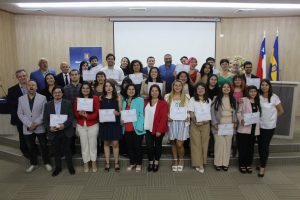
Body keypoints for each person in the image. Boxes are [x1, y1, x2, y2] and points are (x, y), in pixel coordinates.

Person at [17, 80, 52, 173]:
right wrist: (29, 124)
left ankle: (46, 163)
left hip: (39, 127)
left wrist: (35, 123)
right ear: (26, 87)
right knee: (30, 147)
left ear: (36, 87)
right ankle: (33, 164)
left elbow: (44, 112)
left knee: (43, 146)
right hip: (27, 128)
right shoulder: (21, 99)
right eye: (29, 85)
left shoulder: (43, 98)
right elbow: (20, 114)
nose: (31, 86)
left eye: (33, 85)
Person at [43, 86, 75, 176]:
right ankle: (58, 167)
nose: (57, 94)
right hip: (53, 131)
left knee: (67, 150)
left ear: (62, 93)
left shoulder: (68, 103)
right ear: (52, 94)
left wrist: (64, 125)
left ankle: (70, 166)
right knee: (56, 151)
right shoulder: (47, 104)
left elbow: (71, 117)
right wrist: (49, 128)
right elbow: (45, 119)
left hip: (65, 130)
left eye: (59, 92)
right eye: (55, 93)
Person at [257, 79, 284, 177]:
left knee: (264, 146)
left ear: (269, 86)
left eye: (266, 85)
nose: (264, 87)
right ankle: (261, 163)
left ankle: (262, 168)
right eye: (262, 85)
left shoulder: (274, 97)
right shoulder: (258, 96)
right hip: (259, 125)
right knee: (260, 145)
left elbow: (281, 111)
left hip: (269, 127)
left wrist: (272, 118)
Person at [74, 82, 100, 173]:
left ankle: (93, 162)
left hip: (92, 124)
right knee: (84, 145)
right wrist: (80, 114)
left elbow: (97, 112)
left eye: (87, 88)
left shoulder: (95, 98)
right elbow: (75, 113)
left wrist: (87, 116)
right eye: (83, 88)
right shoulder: (77, 99)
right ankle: (85, 162)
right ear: (81, 90)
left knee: (93, 144)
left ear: (90, 89)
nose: (85, 90)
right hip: (81, 125)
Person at [211, 83, 237, 171]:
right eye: (224, 87)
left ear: (230, 89)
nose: (226, 88)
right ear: (221, 89)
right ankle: (218, 163)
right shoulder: (216, 98)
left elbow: (236, 113)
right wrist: (214, 123)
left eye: (228, 87)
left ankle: (225, 163)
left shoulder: (233, 99)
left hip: (230, 124)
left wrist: (235, 122)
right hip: (219, 125)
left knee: (228, 144)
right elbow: (212, 112)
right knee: (219, 144)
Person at [165, 80, 190, 172]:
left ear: (182, 87)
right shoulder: (168, 96)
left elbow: (189, 110)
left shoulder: (187, 97)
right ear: (173, 86)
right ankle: (175, 160)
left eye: (179, 85)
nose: (177, 87)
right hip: (172, 122)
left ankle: (181, 159)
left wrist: (188, 116)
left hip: (183, 123)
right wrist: (167, 117)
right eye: (175, 85)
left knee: (179, 144)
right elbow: (165, 110)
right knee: (173, 142)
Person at [99, 79, 122, 172]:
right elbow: (98, 110)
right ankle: (107, 162)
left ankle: (116, 162)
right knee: (106, 143)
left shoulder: (118, 98)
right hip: (105, 124)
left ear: (113, 87)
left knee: (115, 143)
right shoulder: (101, 98)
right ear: (104, 88)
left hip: (115, 123)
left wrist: (118, 113)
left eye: (110, 86)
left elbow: (120, 112)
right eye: (106, 86)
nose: (108, 88)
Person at [236, 86, 261, 174]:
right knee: (243, 147)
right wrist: (241, 120)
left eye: (255, 91)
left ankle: (248, 164)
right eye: (251, 91)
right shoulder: (243, 100)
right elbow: (238, 112)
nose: (253, 93)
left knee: (250, 148)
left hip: (254, 128)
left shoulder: (258, 101)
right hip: (244, 127)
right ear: (248, 92)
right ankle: (242, 164)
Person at [144, 85, 168, 172]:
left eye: (156, 91)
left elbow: (164, 118)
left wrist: (159, 130)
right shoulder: (146, 101)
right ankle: (151, 161)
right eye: (152, 91)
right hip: (147, 128)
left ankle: (156, 162)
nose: (154, 92)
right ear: (150, 92)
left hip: (158, 129)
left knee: (158, 146)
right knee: (149, 147)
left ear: (159, 92)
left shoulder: (163, 103)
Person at [121, 83, 145, 172]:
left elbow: (141, 114)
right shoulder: (124, 101)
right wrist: (122, 120)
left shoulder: (140, 100)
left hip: (137, 127)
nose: (131, 91)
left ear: (136, 91)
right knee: (129, 147)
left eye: (133, 89)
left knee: (137, 146)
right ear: (126, 91)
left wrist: (139, 126)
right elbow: (123, 114)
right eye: (129, 89)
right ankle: (132, 163)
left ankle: (139, 163)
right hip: (127, 127)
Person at [188, 83, 212, 173]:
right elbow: (191, 112)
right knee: (196, 144)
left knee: (204, 144)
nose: (200, 90)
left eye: (202, 88)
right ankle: (198, 164)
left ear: (205, 90)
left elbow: (210, 114)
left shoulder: (209, 100)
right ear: (196, 90)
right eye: (198, 88)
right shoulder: (192, 99)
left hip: (206, 125)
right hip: (195, 125)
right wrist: (196, 121)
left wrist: (205, 122)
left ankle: (203, 161)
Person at [7, 69, 30, 158]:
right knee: (22, 135)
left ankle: (33, 149)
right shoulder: (12, 90)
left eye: (24, 75)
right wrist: (19, 116)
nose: (22, 78)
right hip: (20, 118)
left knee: (32, 134)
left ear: (26, 76)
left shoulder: (33, 86)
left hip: (32, 116)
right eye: (20, 76)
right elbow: (11, 106)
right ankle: (25, 150)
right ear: (17, 78)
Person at [63, 69, 82, 155]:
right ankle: (72, 152)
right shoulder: (65, 88)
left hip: (81, 115)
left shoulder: (83, 87)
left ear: (79, 75)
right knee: (71, 135)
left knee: (81, 135)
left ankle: (83, 152)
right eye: (72, 75)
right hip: (70, 116)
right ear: (70, 76)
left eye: (76, 74)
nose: (74, 76)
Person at [206, 74, 219, 158]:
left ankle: (212, 150)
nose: (213, 81)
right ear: (209, 80)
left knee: (213, 132)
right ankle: (207, 149)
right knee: (207, 133)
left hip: (215, 113)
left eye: (215, 79)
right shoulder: (204, 88)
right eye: (212, 79)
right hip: (205, 113)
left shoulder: (219, 89)